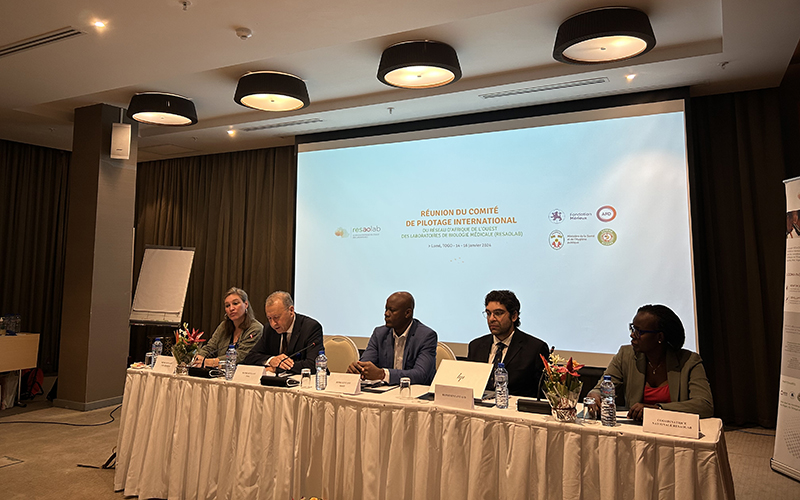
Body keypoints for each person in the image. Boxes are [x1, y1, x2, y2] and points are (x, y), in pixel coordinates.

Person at [587, 304, 714, 421]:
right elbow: (600, 389)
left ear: (660, 337)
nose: (632, 335)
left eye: (639, 331)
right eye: (632, 328)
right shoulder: (625, 355)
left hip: (674, 430)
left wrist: (658, 410)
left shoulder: (689, 361)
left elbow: (704, 405)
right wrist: (595, 395)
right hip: (636, 431)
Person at [467, 290, 549, 398]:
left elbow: (542, 395)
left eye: (498, 313)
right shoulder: (475, 346)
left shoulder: (535, 348)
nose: (491, 319)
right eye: (488, 313)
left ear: (514, 316)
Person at [347, 291, 437, 385]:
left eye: (392, 310)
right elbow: (365, 364)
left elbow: (421, 375)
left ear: (407, 313)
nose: (386, 314)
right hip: (385, 393)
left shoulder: (426, 336)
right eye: (386, 309)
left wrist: (382, 374)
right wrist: (358, 369)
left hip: (415, 395)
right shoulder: (380, 333)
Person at [241, 291, 323, 374]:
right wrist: (271, 360)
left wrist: (276, 369)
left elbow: (314, 364)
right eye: (269, 318)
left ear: (291, 310)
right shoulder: (269, 329)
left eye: (276, 317)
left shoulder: (310, 328)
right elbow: (250, 357)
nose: (273, 323)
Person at [194, 287, 263, 367]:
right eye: (227, 306)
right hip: (219, 373)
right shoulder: (223, 326)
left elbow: (241, 356)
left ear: (246, 304)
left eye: (235, 303)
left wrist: (210, 362)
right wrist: (199, 358)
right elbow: (210, 348)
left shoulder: (256, 329)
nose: (231, 308)